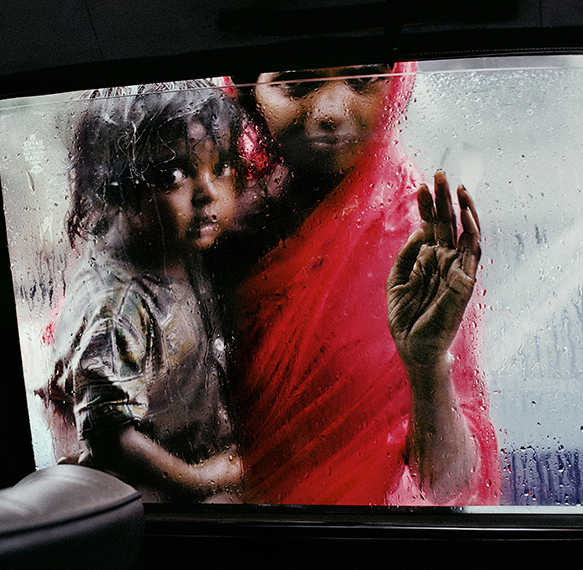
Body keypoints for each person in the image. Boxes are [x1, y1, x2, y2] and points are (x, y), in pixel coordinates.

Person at [213, 62, 499, 505]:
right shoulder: (206, 212)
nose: (331, 109)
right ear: (246, 92)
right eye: (295, 83)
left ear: (397, 82)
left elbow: (448, 488)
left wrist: (427, 369)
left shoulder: (416, 235)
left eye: (364, 78)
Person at [43, 81, 245, 503]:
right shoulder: (115, 306)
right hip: (152, 502)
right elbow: (110, 439)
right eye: (173, 174)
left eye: (221, 166)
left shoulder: (180, 246)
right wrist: (203, 480)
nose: (209, 193)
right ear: (114, 188)